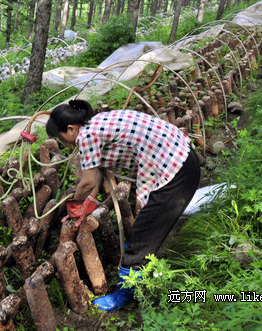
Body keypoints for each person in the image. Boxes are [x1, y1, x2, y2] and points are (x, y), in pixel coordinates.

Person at [46, 99, 201, 311]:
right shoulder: (95, 123)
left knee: (141, 238)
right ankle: (142, 276)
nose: (64, 144)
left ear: (71, 129)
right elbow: (97, 175)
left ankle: (126, 296)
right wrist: (88, 205)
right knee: (147, 231)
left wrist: (74, 205)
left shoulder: (86, 136)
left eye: (61, 138)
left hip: (176, 172)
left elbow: (88, 181)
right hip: (181, 158)